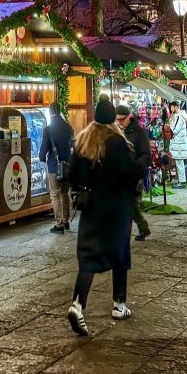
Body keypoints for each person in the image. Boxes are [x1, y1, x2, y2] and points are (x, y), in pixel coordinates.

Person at [67, 97, 142, 336]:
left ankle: (78, 304)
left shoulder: (83, 141)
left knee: (88, 258)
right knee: (119, 255)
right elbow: (129, 173)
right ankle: (119, 304)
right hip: (116, 209)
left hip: (91, 210)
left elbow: (71, 175)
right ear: (113, 121)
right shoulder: (118, 143)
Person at [115, 104, 152, 241]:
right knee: (127, 204)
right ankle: (142, 228)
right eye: (117, 120)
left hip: (135, 175)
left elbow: (146, 155)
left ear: (128, 117)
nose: (119, 122)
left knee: (130, 204)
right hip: (120, 175)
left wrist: (136, 168)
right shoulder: (116, 131)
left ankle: (132, 231)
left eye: (121, 119)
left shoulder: (139, 132)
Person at [39, 102, 74, 234]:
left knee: (55, 194)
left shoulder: (48, 129)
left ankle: (59, 223)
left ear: (50, 112)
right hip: (67, 166)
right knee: (65, 193)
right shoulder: (68, 127)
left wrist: (41, 158)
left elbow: (44, 150)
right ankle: (66, 221)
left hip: (54, 166)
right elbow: (72, 145)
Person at [168, 99, 187, 189]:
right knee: (178, 162)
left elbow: (175, 130)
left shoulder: (179, 117)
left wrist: (169, 126)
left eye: (172, 107)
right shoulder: (176, 116)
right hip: (178, 143)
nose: (171, 108)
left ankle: (182, 182)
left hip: (179, 143)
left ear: (176, 107)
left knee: (179, 162)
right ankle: (181, 180)